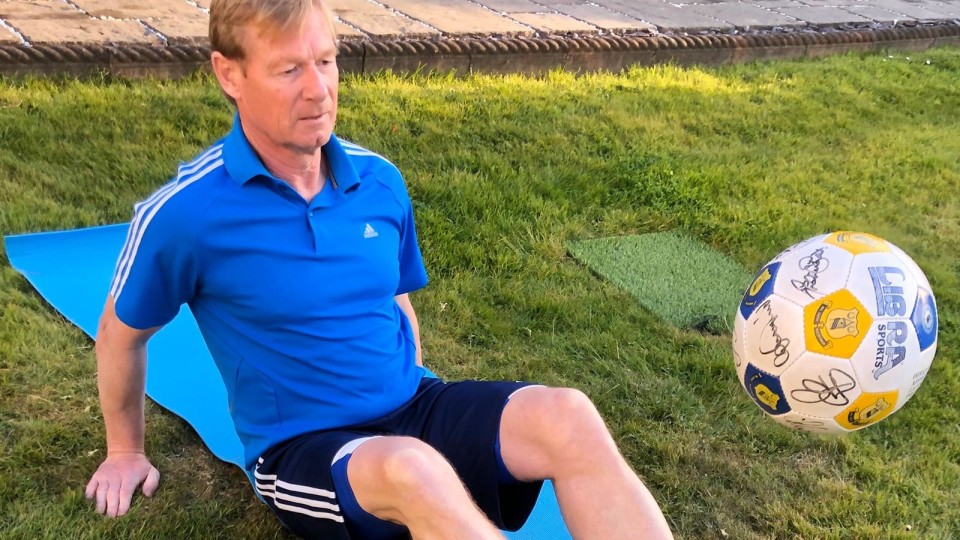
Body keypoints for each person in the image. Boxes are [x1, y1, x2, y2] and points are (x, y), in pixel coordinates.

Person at [84, 1, 674, 538]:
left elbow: (394, 298)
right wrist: (124, 452)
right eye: (289, 70)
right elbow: (119, 334)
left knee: (568, 415)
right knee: (414, 469)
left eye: (325, 61)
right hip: (303, 450)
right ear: (229, 74)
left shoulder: (378, 181)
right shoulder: (188, 213)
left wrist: (407, 388)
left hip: (414, 407)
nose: (318, 90)